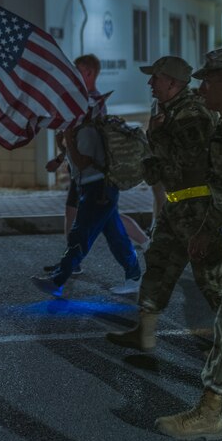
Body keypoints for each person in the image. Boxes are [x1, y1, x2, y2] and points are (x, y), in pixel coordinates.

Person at [106, 55, 222, 352]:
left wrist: (156, 137)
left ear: (173, 83)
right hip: (176, 207)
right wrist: (156, 142)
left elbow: (187, 166)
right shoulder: (168, 112)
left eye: (156, 78)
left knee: (213, 281)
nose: (150, 83)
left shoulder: (192, 115)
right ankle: (144, 333)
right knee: (157, 267)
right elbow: (156, 171)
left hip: (196, 209)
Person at [155, 48, 222, 440]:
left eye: (209, 81)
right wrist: (204, 229)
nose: (201, 89)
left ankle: (210, 411)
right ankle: (211, 408)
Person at [43, 53, 150, 288]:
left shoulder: (93, 105)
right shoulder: (83, 103)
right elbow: (79, 143)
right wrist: (62, 155)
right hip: (88, 178)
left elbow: (87, 148)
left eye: (77, 70)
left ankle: (61, 275)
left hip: (96, 179)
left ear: (89, 73)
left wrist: (67, 143)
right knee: (111, 229)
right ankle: (133, 272)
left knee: (83, 228)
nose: (73, 76)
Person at [31, 107, 142, 298]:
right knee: (117, 237)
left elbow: (83, 163)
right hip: (96, 188)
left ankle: (57, 280)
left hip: (98, 190)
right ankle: (134, 276)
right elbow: (77, 160)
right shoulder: (81, 131)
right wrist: (64, 146)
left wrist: (69, 139)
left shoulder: (87, 131)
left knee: (80, 234)